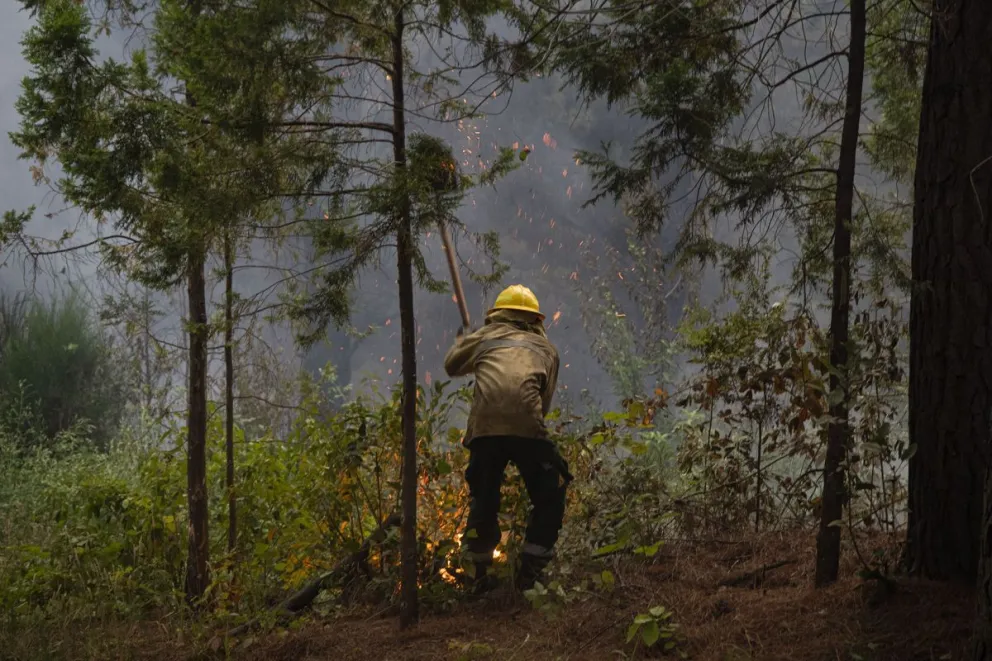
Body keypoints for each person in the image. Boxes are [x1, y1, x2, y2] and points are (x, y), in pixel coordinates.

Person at [443, 284, 572, 594]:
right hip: (528, 427)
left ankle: (478, 577)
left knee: (484, 500)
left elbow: (451, 365)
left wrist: (464, 340)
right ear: (536, 320)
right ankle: (530, 573)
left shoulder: (484, 337)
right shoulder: (548, 350)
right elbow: (544, 403)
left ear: (498, 315)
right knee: (550, 491)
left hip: (485, 431)